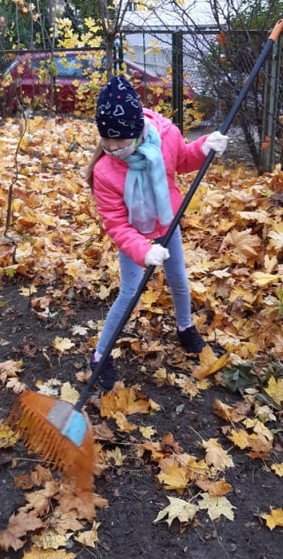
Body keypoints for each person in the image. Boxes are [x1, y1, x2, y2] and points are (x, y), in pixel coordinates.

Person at [85, 74, 228, 392]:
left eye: (119, 143)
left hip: (167, 223)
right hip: (134, 234)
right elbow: (116, 225)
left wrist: (205, 147)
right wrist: (142, 250)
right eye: (107, 143)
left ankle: (185, 327)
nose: (112, 149)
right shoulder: (104, 171)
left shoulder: (166, 136)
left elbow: (184, 160)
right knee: (130, 292)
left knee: (178, 279)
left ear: (136, 131)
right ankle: (99, 355)